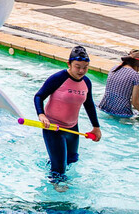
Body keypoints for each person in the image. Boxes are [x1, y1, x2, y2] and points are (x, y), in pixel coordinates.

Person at [33, 45, 102, 180]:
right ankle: (56, 197)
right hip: (53, 127)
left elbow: (89, 104)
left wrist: (96, 127)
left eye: (85, 67)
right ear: (69, 64)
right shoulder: (58, 78)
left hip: (72, 128)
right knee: (59, 171)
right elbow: (39, 96)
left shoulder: (86, 82)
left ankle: (51, 163)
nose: (81, 70)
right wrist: (41, 114)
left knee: (71, 160)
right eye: (77, 66)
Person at [98, 49, 139, 117]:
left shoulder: (114, 68)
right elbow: (135, 103)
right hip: (122, 112)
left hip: (104, 107)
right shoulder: (136, 76)